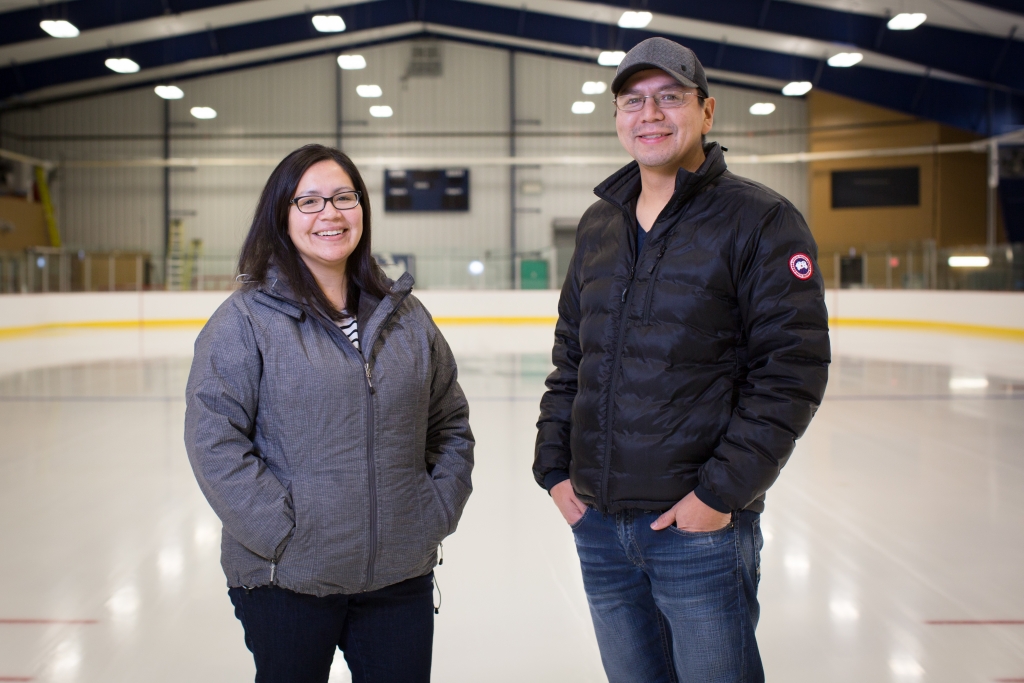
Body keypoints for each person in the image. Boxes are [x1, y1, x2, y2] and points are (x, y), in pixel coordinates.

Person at [533, 37, 830, 683]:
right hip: (599, 524)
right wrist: (554, 469)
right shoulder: (598, 225)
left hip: (698, 531)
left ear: (707, 110)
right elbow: (570, 357)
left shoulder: (761, 220)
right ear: (616, 117)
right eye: (634, 101)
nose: (651, 114)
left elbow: (792, 369)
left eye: (670, 97)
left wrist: (717, 496)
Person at [184, 144, 474, 683]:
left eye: (344, 197)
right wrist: (281, 532)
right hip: (287, 577)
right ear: (281, 216)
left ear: (363, 208)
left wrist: (432, 510)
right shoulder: (244, 322)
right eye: (309, 201)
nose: (331, 215)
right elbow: (213, 440)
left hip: (398, 573)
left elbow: (450, 420)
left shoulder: (406, 318)